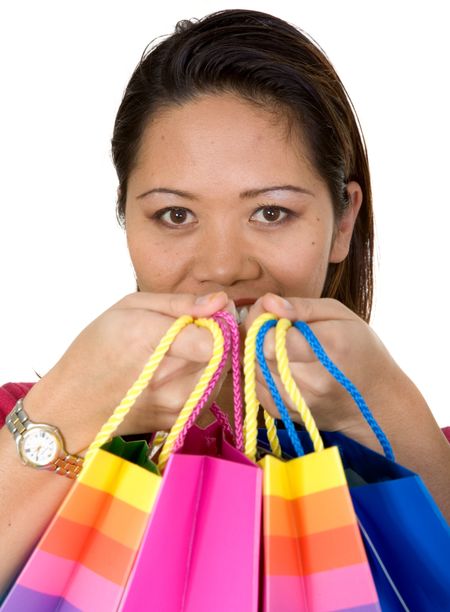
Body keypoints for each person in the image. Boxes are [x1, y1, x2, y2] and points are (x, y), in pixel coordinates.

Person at [1, 8, 449, 594]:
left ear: (343, 222)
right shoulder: (21, 425)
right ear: (126, 219)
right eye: (175, 214)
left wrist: (391, 418)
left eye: (271, 212)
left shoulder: (415, 443)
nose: (222, 267)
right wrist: (66, 415)